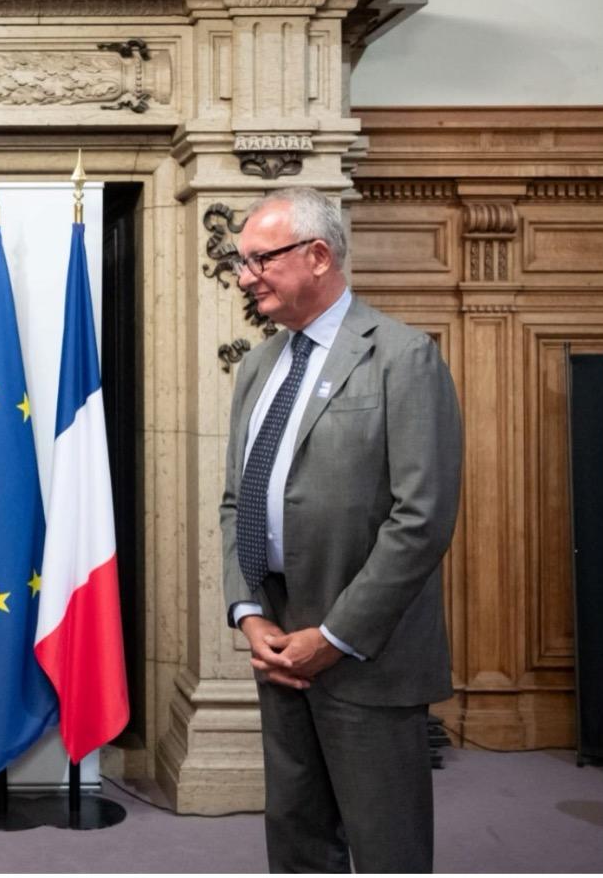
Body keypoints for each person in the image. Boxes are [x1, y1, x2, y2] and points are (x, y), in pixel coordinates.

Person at [219, 187, 462, 873]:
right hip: (277, 647)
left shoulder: (403, 357)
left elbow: (422, 518)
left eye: (258, 260)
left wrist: (333, 637)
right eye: (241, 262)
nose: (245, 278)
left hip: (366, 652)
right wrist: (248, 614)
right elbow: (237, 500)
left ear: (317, 255)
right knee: (296, 839)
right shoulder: (259, 366)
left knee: (387, 847)